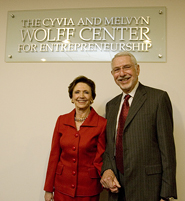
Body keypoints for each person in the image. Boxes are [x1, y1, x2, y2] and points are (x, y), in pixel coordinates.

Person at [100, 52, 177, 201]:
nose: (122, 74)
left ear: (138, 69)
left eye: (126, 67)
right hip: (117, 190)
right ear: (112, 74)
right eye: (117, 70)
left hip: (148, 188)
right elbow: (110, 147)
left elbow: (168, 151)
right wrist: (107, 169)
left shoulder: (158, 99)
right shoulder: (111, 105)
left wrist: (166, 194)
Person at [44, 76, 106, 201]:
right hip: (62, 188)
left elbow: (101, 158)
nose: (81, 96)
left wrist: (108, 180)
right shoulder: (62, 120)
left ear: (92, 97)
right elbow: (54, 156)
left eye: (86, 92)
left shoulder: (102, 123)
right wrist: (49, 188)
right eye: (77, 92)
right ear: (72, 97)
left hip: (89, 189)